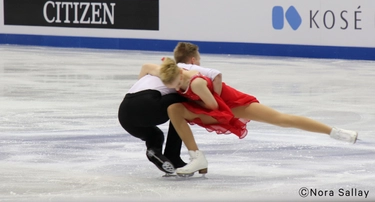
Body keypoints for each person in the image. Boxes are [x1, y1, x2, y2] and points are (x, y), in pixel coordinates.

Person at [142, 42, 359, 176]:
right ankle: (196, 156)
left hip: (229, 103)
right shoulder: (171, 71)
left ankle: (335, 132)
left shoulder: (196, 80)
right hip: (209, 106)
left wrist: (201, 98)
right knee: (175, 110)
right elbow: (146, 68)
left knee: (281, 119)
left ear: (182, 73)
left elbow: (215, 104)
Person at [118, 58, 222, 174]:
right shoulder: (183, 74)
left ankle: (154, 153)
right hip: (147, 103)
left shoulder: (161, 71)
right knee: (181, 106)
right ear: (191, 62)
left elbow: (145, 66)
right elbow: (216, 75)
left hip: (125, 115)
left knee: (155, 136)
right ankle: (173, 156)